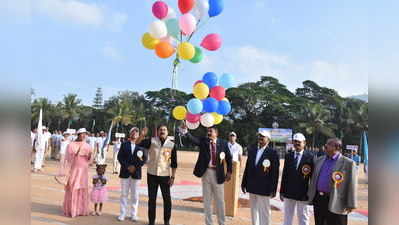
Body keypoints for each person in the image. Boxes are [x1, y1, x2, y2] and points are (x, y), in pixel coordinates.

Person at [180, 124, 232, 225]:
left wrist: (229, 171)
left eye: (210, 131)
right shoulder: (203, 141)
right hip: (206, 173)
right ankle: (209, 223)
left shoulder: (223, 143)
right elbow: (193, 140)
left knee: (220, 201)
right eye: (208, 131)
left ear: (216, 133)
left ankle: (222, 222)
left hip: (219, 174)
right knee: (207, 201)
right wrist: (186, 132)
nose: (208, 133)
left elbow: (228, 158)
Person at [307, 138, 358, 225]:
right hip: (319, 200)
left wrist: (352, 203)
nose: (325, 146)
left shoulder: (348, 163)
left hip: (337, 200)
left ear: (337, 147)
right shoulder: (319, 160)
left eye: (328, 144)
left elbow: (352, 184)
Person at [137, 125, 177, 225]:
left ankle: (166, 221)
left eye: (164, 130)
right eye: (160, 130)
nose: (162, 131)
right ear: (157, 132)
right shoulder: (151, 141)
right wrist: (142, 135)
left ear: (167, 132)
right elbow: (137, 143)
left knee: (167, 200)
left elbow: (174, 163)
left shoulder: (172, 145)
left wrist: (173, 177)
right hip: (152, 175)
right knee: (152, 200)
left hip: (165, 176)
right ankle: (151, 221)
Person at [241, 130, 279, 225]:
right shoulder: (252, 150)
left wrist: (273, 189)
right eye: (259, 136)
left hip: (264, 188)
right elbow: (247, 168)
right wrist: (244, 182)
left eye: (263, 136)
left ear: (268, 140)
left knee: (264, 212)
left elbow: (275, 173)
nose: (261, 138)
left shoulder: (273, 153)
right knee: (254, 211)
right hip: (252, 186)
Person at [280, 133, 314, 225]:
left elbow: (313, 178)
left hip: (303, 194)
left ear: (304, 143)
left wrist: (311, 194)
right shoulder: (289, 156)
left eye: (299, 142)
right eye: (295, 142)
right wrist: (282, 191)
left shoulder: (310, 157)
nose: (296, 144)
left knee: (303, 218)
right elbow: (285, 175)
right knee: (287, 217)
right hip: (289, 192)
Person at [59, 128, 93, 218]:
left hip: (84, 170)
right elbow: (68, 159)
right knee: (73, 187)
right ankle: (72, 209)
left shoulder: (87, 145)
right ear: (78, 134)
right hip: (74, 169)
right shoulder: (71, 145)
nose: (84, 135)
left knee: (82, 188)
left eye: (85, 134)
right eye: (82, 134)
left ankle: (81, 209)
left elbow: (90, 159)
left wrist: (90, 157)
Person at [117, 127, 147, 222]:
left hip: (136, 173)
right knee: (124, 194)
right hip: (125, 172)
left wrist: (135, 167)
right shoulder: (124, 144)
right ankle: (122, 214)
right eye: (132, 132)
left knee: (135, 195)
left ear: (139, 135)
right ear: (130, 134)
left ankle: (133, 214)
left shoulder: (142, 146)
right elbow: (120, 157)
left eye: (136, 132)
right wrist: (128, 166)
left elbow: (144, 159)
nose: (134, 133)